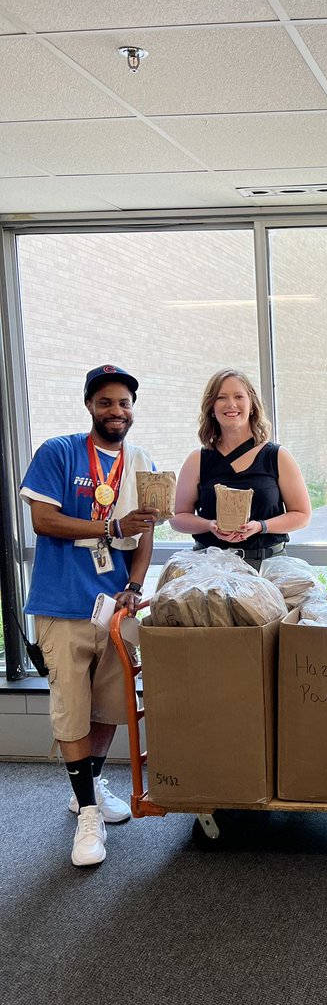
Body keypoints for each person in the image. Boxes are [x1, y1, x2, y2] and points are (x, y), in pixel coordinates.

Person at [20, 365, 159, 867]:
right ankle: (86, 812)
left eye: (124, 403)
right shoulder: (58, 452)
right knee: (71, 707)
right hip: (63, 604)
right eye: (105, 402)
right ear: (89, 406)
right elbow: (43, 519)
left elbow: (144, 533)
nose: (116, 412)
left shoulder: (140, 462)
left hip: (113, 609)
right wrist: (110, 525)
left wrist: (134, 586)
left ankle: (90, 786)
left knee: (107, 706)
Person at [170, 369, 311, 570]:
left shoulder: (277, 456)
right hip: (210, 569)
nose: (231, 404)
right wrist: (209, 525)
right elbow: (178, 518)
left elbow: (302, 514)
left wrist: (261, 526)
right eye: (221, 398)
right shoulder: (198, 460)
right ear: (211, 407)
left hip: (267, 567)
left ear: (252, 405)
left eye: (239, 397)